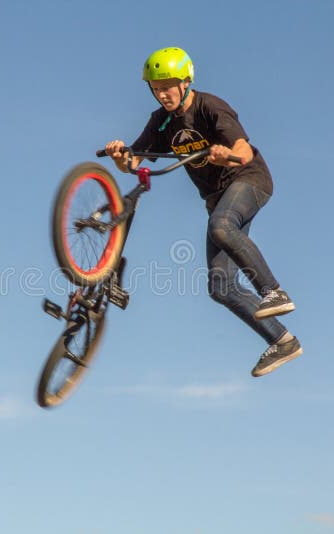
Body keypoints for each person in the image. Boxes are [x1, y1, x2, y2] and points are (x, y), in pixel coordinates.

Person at [103, 47, 302, 377]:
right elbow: (134, 162)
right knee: (220, 286)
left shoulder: (210, 106)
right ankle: (283, 341)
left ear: (185, 82)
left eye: (168, 85)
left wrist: (228, 155)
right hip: (217, 197)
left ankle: (273, 291)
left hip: (248, 180)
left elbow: (243, 149)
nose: (162, 93)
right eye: (155, 87)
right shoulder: (161, 122)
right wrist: (119, 155)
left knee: (221, 226)